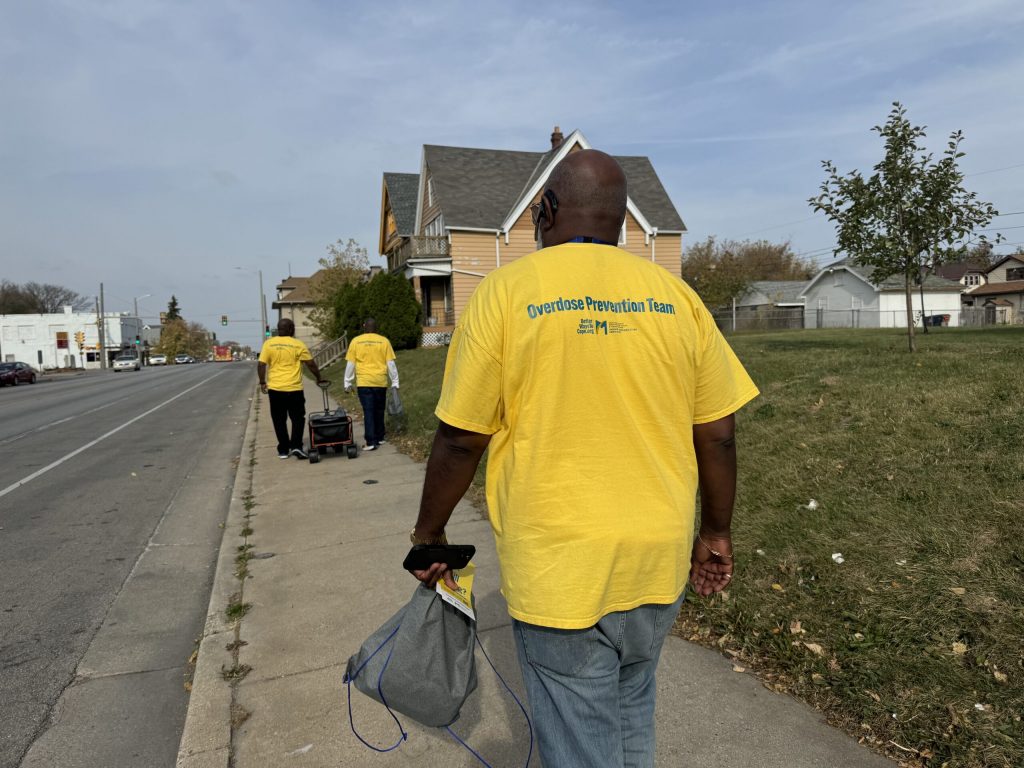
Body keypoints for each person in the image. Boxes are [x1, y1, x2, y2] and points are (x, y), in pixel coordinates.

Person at [407, 150, 759, 768]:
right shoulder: (676, 299)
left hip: (559, 565)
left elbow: (462, 437)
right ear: (622, 223)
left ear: (544, 211)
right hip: (655, 558)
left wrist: (429, 533)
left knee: (580, 747)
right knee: (630, 715)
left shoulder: (506, 294)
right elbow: (719, 433)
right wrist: (717, 532)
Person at [257, 318, 324, 460]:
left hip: (275, 389)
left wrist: (263, 382)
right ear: (291, 329)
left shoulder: (269, 344)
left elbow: (261, 364)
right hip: (294, 388)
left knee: (279, 419)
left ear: (278, 329)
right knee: (298, 418)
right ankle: (296, 446)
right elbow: (310, 364)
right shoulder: (297, 344)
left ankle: (283, 449)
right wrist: (318, 377)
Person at [343, 318, 399, 452]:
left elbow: (351, 364)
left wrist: (347, 382)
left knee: (368, 411)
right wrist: (395, 381)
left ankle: (371, 441)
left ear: (364, 326)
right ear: (376, 328)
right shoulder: (384, 341)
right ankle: (380, 437)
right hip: (380, 382)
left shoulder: (356, 341)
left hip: (364, 383)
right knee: (379, 410)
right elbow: (390, 363)